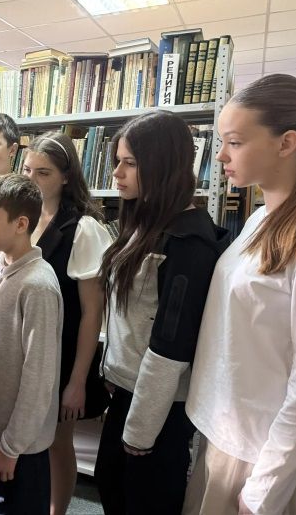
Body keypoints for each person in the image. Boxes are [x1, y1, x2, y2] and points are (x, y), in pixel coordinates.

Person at [183, 74, 296, 515]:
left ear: (286, 143)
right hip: (226, 430)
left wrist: (265, 488)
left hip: (261, 452)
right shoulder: (261, 219)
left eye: (234, 142)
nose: (221, 155)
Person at [94, 111, 230, 514]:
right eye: (117, 160)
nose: (116, 173)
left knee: (145, 501)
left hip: (159, 407)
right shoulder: (144, 222)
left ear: (163, 165)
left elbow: (170, 348)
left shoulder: (187, 242)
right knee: (112, 489)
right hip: (128, 392)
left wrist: (141, 429)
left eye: (130, 163)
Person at [22, 131, 112, 515]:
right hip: (29, 350)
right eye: (27, 170)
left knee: (58, 442)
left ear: (65, 176)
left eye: (43, 173)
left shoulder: (83, 228)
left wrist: (77, 381)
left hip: (64, 355)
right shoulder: (23, 218)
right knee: (29, 439)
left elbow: (92, 312)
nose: (32, 180)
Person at [0, 174, 63, 514]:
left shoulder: (38, 286)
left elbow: (39, 378)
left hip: (21, 445)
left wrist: (11, 447)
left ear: (21, 224)